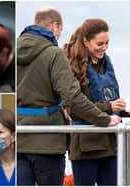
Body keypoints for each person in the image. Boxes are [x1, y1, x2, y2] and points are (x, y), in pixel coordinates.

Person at [17, 8, 121, 185]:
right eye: (60, 30)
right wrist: (105, 118)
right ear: (54, 26)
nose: (58, 35)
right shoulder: (53, 53)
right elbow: (72, 98)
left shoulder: (12, 50)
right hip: (49, 142)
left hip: (19, 139)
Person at [63, 18, 130, 185]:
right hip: (86, 147)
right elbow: (74, 109)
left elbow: (112, 99)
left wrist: (123, 110)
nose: (105, 47)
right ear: (86, 41)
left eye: (107, 43)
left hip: (111, 145)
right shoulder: (71, 66)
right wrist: (109, 107)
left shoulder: (105, 64)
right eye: (100, 43)